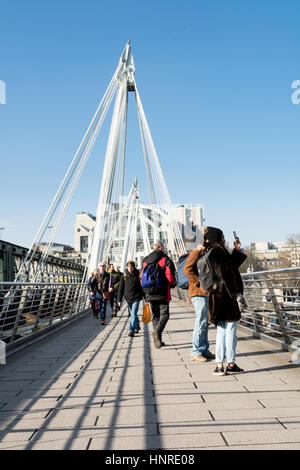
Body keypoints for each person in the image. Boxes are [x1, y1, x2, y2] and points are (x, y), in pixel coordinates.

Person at [202, 226, 247, 376]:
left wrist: (237, 250)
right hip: (227, 296)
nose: (225, 239)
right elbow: (228, 273)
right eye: (222, 237)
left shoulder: (210, 251)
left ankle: (219, 365)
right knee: (230, 332)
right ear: (217, 238)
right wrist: (237, 295)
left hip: (216, 296)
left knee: (221, 331)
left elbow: (230, 266)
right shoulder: (219, 251)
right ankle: (231, 363)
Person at [141, 241, 176, 349]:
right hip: (162, 292)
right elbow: (170, 276)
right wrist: (172, 284)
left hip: (150, 292)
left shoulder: (145, 260)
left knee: (155, 316)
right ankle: (157, 332)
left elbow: (142, 276)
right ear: (161, 248)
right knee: (165, 314)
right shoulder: (165, 259)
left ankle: (158, 340)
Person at [184, 246, 215, 362]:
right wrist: (198, 282)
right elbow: (187, 269)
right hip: (198, 292)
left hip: (205, 292)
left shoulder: (206, 253)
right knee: (200, 321)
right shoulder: (196, 252)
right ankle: (195, 351)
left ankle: (204, 349)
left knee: (205, 323)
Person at [118, 260, 144, 337]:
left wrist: (145, 296)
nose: (130, 268)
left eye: (131, 266)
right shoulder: (124, 275)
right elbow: (120, 288)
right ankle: (137, 325)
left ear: (134, 267)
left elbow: (142, 286)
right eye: (128, 267)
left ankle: (131, 330)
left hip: (136, 297)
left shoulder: (138, 275)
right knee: (133, 313)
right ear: (127, 267)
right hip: (128, 298)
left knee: (133, 313)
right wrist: (119, 300)